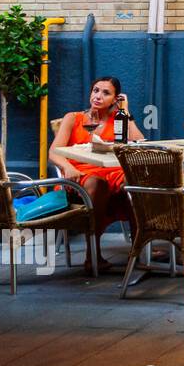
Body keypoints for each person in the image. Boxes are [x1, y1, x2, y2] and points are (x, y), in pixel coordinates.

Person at [49, 75, 144, 273]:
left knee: (134, 181)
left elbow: (139, 143)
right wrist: (67, 167)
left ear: (115, 99)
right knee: (98, 185)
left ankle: (138, 250)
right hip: (80, 173)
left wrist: (125, 111)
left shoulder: (117, 120)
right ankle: (93, 254)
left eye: (106, 93)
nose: (98, 96)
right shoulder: (73, 118)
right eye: (96, 90)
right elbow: (54, 151)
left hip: (112, 171)